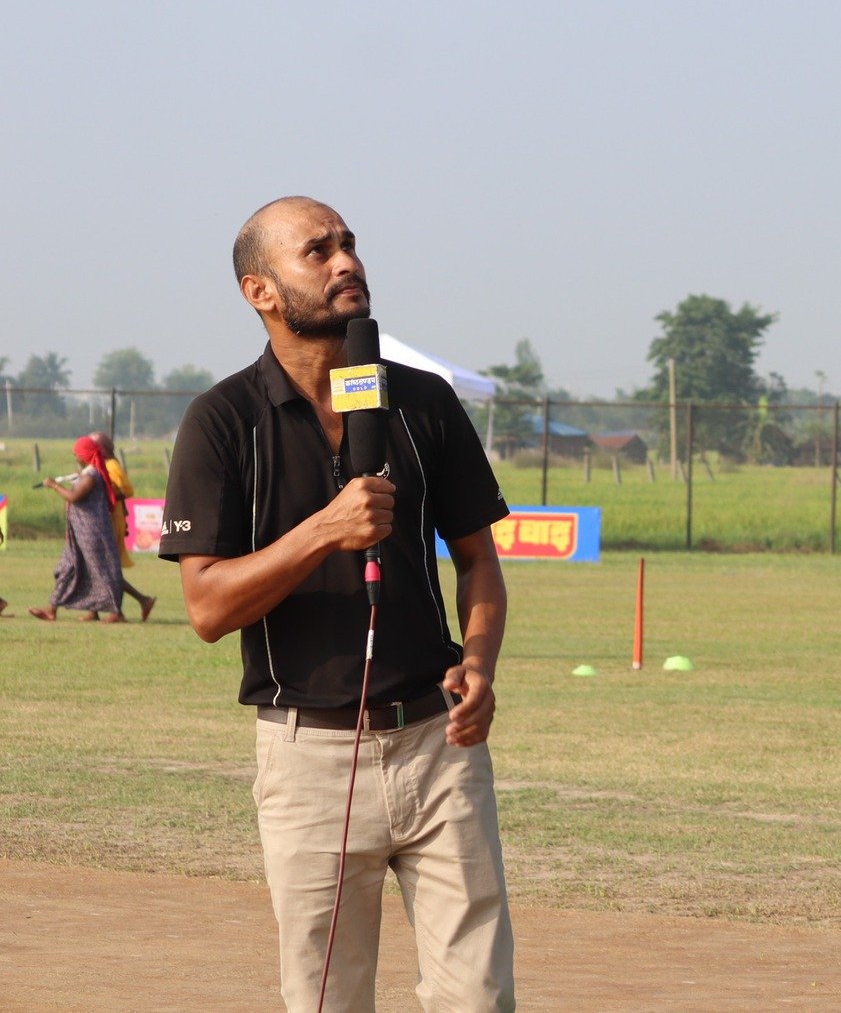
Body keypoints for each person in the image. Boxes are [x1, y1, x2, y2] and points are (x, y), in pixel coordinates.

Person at [160, 196, 515, 1011]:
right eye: (317, 252)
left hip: (439, 745)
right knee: (329, 1000)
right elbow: (208, 610)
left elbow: (479, 563)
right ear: (262, 293)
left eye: (349, 244)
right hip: (310, 759)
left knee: (480, 998)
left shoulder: (421, 403)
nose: (346, 262)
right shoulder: (220, 421)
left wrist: (480, 665)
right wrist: (323, 531)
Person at [28, 435, 126, 623]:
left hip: (91, 532)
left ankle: (116, 612)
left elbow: (74, 497)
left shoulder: (91, 476)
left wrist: (54, 485)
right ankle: (51, 610)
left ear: (85, 455)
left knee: (101, 570)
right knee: (67, 568)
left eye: (77, 454)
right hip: (79, 531)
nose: (76, 457)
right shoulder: (88, 474)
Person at [90, 430, 157, 621]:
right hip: (106, 520)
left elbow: (126, 490)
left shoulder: (111, 466)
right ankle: (94, 610)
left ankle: (131, 605)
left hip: (110, 521)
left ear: (101, 449)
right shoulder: (102, 465)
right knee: (97, 567)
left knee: (106, 568)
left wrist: (101, 492)